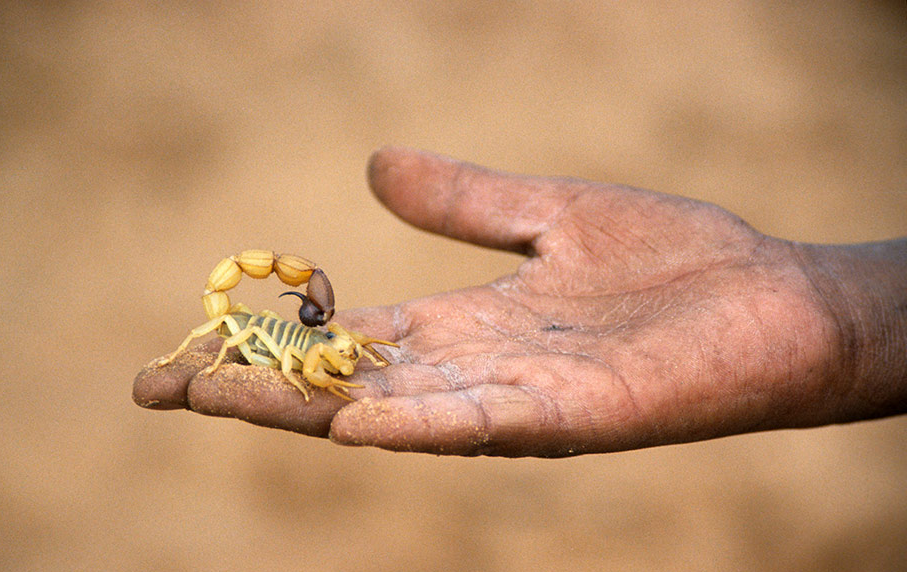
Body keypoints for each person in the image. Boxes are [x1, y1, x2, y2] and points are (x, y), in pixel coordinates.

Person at [133, 146, 907, 457]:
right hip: (259, 327)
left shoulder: (344, 346)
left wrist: (850, 314)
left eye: (345, 351)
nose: (349, 357)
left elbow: (348, 355)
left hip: (288, 324)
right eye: (343, 351)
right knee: (237, 347)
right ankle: (185, 357)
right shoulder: (281, 338)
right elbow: (300, 364)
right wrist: (841, 313)